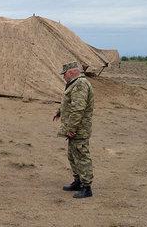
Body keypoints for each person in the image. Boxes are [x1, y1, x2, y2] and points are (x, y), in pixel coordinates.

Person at [54, 61, 94, 198]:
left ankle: (86, 187)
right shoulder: (75, 84)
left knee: (81, 156)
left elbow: (78, 108)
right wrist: (60, 111)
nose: (64, 77)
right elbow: (70, 102)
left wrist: (71, 129)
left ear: (71, 72)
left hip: (79, 129)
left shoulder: (80, 84)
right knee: (73, 155)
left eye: (64, 74)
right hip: (76, 128)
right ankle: (78, 181)